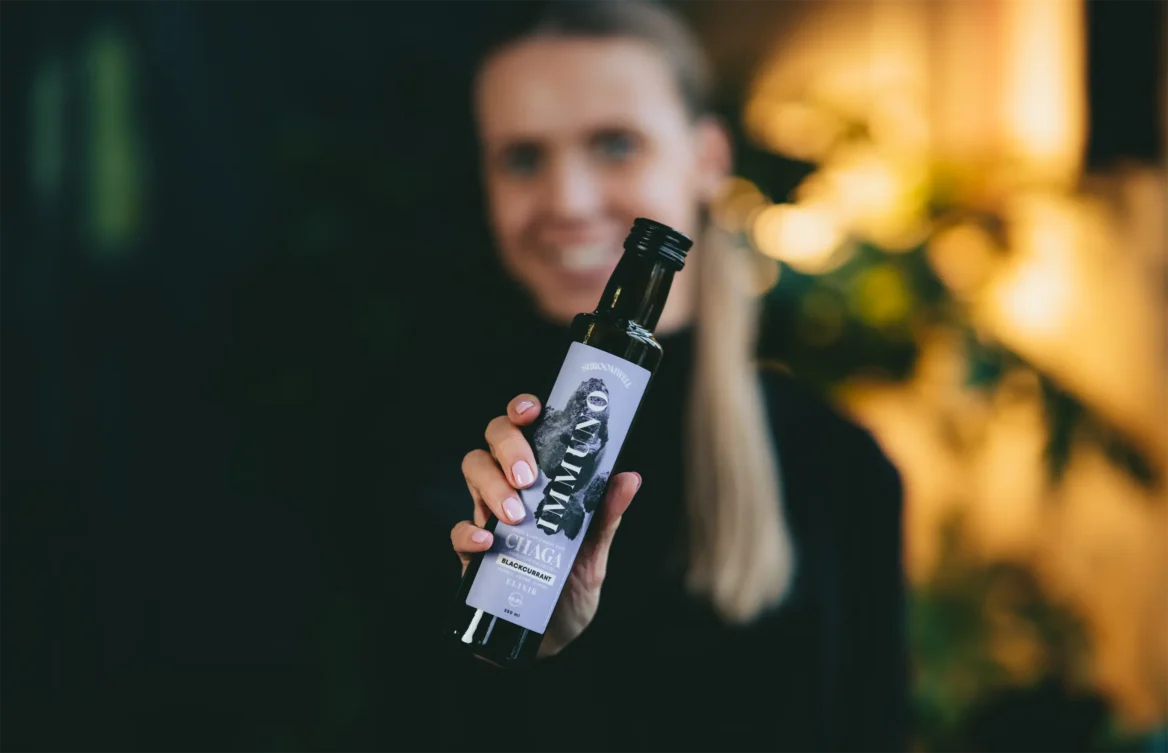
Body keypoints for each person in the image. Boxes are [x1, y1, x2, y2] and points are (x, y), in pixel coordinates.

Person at [363, 1, 908, 751]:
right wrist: (512, 646)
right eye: (523, 158)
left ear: (708, 159)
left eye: (616, 144)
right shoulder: (427, 442)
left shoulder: (840, 468)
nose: (568, 201)